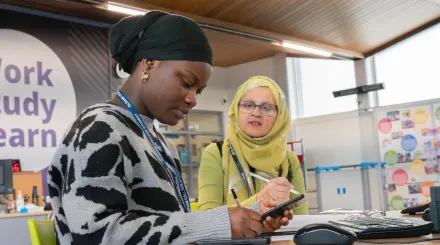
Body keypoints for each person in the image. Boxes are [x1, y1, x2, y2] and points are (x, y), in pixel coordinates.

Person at [47, 11, 283, 245]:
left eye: (198, 91)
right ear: (149, 64)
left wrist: (249, 220)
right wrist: (217, 222)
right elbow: (97, 237)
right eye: (187, 83)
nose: (193, 99)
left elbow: (176, 231)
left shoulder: (162, 144)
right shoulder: (99, 128)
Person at [198, 76, 309, 218]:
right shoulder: (216, 153)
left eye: (266, 107)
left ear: (280, 116)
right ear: (236, 110)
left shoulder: (287, 159)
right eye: (248, 105)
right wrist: (260, 200)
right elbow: (206, 219)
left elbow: (302, 219)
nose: (256, 113)